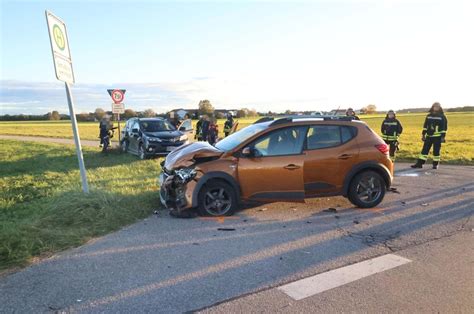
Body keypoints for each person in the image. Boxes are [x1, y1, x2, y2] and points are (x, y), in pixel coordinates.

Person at [411, 102, 448, 169]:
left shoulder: (442, 116)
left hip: (437, 137)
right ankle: (419, 164)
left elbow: (444, 128)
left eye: (437, 107)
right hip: (429, 136)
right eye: (435, 106)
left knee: (436, 151)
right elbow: (425, 126)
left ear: (440, 108)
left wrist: (443, 137)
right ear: (432, 107)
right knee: (424, 151)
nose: (436, 107)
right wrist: (423, 135)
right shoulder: (429, 116)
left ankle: (435, 164)